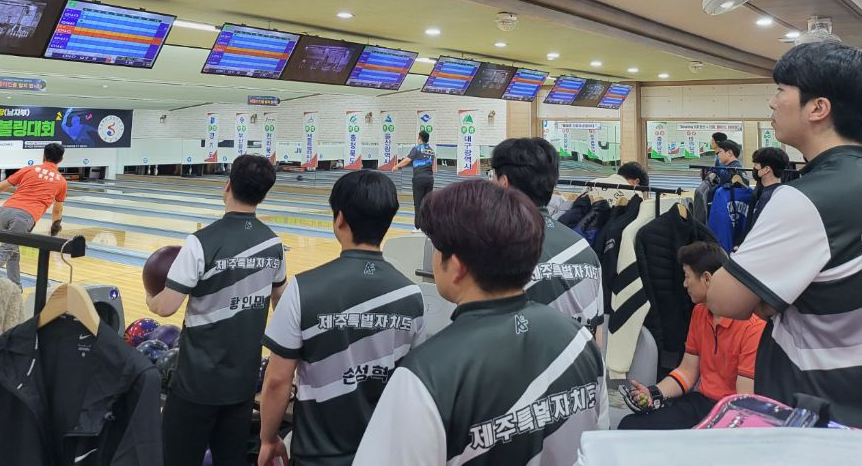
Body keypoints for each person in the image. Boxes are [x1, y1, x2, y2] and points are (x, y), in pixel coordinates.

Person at [706, 41, 862, 431]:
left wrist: (770, 299)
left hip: (816, 404)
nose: (772, 102)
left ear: (818, 108)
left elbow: (724, 300)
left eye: (781, 91)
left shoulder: (805, 199)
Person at [353, 180, 603, 465]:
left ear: (457, 267)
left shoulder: (426, 373)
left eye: (437, 248)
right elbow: (597, 443)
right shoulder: (582, 341)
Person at [259, 170, 425, 466]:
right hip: (382, 453)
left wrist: (268, 439)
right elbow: (412, 381)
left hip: (316, 454)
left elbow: (277, 381)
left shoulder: (302, 289)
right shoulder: (412, 295)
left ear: (340, 219)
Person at [148, 154, 286, 466]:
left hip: (195, 383)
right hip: (242, 383)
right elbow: (281, 302)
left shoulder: (200, 242)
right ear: (264, 195)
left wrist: (150, 298)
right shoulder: (273, 244)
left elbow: (167, 306)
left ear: (227, 185)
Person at [619, 241, 765, 429]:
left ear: (706, 279)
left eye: (687, 276)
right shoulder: (700, 312)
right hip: (701, 403)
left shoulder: (753, 326)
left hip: (730, 414)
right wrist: (653, 393)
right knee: (629, 426)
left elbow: (744, 402)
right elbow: (688, 370)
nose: (684, 283)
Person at [490, 138, 605, 343]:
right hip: (581, 362)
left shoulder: (494, 248)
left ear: (504, 183)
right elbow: (597, 335)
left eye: (492, 176)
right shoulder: (585, 250)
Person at [0, 142, 67, 286]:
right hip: (23, 217)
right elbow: (57, 210)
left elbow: (0, 187)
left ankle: (16, 287)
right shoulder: (61, 182)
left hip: (4, 212)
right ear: (61, 159)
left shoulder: (29, 169)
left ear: (44, 156)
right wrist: (55, 228)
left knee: (13, 251)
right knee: (5, 252)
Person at [392, 130, 436, 228]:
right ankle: (428, 225)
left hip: (419, 179)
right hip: (429, 179)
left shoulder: (417, 148)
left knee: (418, 203)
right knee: (427, 202)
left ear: (420, 138)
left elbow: (407, 160)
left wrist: (397, 166)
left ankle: (418, 226)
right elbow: (432, 165)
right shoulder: (432, 151)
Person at [743, 147, 790, 236]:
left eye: (756, 165)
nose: (754, 168)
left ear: (766, 169)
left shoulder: (767, 197)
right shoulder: (783, 192)